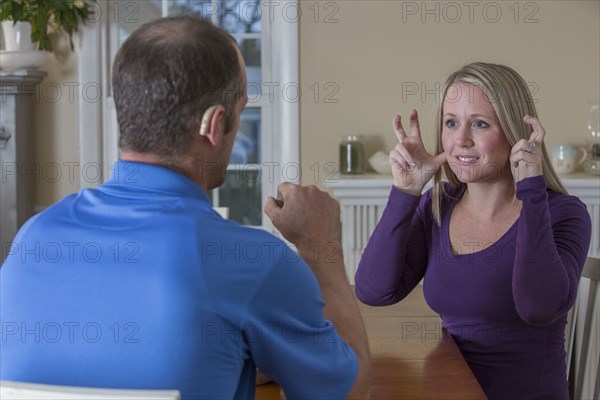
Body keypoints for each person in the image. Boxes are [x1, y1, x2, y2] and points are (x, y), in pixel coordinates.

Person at [0, 16, 370, 399]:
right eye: (240, 111)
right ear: (214, 123)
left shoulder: (33, 237)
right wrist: (321, 246)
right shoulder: (253, 261)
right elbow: (349, 392)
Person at [355, 62, 591, 400]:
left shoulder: (563, 214)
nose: (461, 140)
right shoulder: (439, 204)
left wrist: (532, 191)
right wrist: (405, 193)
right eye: (451, 123)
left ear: (515, 132)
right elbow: (374, 291)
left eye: (480, 124)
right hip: (450, 390)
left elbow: (538, 307)